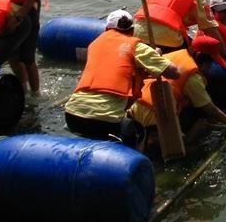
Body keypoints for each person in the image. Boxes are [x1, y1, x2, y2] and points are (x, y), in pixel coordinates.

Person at [64, 9, 180, 149]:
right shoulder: (137, 47)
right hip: (103, 121)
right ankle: (136, 163)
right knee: (139, 131)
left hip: (71, 117)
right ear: (132, 31)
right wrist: (157, 57)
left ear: (107, 29)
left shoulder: (94, 45)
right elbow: (174, 72)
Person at [129, 35, 226, 135]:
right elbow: (209, 108)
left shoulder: (178, 53)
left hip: (135, 107)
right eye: (209, 64)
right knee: (199, 115)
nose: (209, 68)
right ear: (200, 59)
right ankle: (162, 139)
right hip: (155, 114)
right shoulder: (192, 77)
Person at [133, 0, 226, 64]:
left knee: (187, 42)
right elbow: (211, 31)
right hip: (166, 38)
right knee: (193, 60)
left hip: (139, 32)